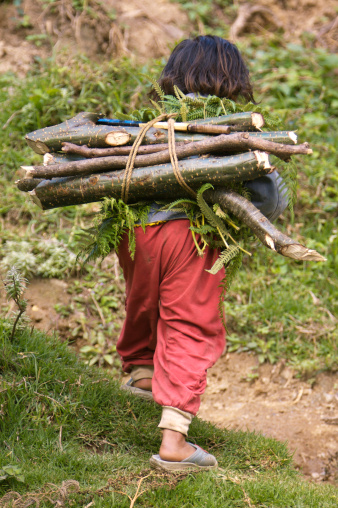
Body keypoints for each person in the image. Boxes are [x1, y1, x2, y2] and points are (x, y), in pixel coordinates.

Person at [117, 35, 287, 472]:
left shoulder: (149, 123)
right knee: (190, 323)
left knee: (143, 297)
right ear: (233, 80)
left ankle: (140, 374)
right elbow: (269, 201)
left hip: (133, 228)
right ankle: (174, 442)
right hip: (188, 234)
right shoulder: (230, 129)